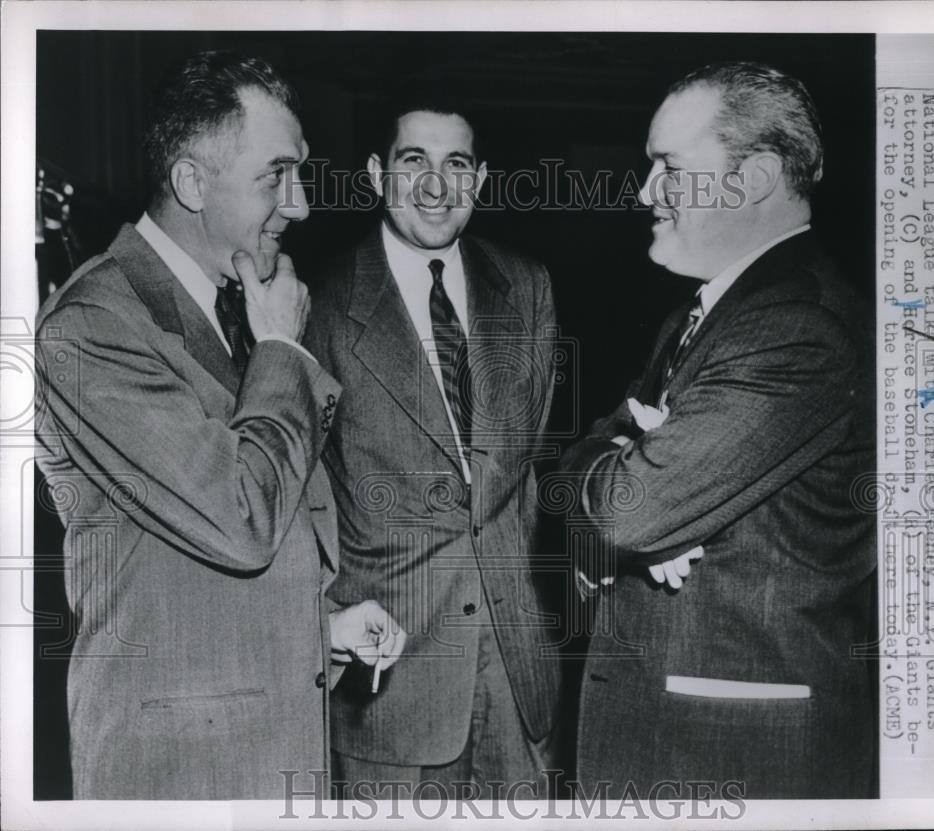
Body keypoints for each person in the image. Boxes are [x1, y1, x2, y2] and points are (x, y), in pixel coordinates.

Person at [34, 51, 404, 800]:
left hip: (258, 751)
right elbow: (239, 516)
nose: (299, 205)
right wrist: (282, 352)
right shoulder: (95, 326)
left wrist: (316, 623)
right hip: (179, 776)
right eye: (276, 176)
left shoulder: (223, 303)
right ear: (191, 182)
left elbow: (184, 567)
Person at [560, 62, 876, 799]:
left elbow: (625, 511)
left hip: (736, 757)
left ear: (753, 178)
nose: (644, 192)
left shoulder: (800, 328)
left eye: (669, 167)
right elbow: (594, 456)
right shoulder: (707, 312)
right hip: (682, 739)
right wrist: (625, 458)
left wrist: (630, 478)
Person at [304, 102, 562, 798]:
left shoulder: (528, 287)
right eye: (414, 160)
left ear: (478, 178)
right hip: (389, 689)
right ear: (378, 174)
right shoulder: (317, 306)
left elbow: (523, 474)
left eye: (456, 164)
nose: (435, 184)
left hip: (516, 680)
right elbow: (300, 497)